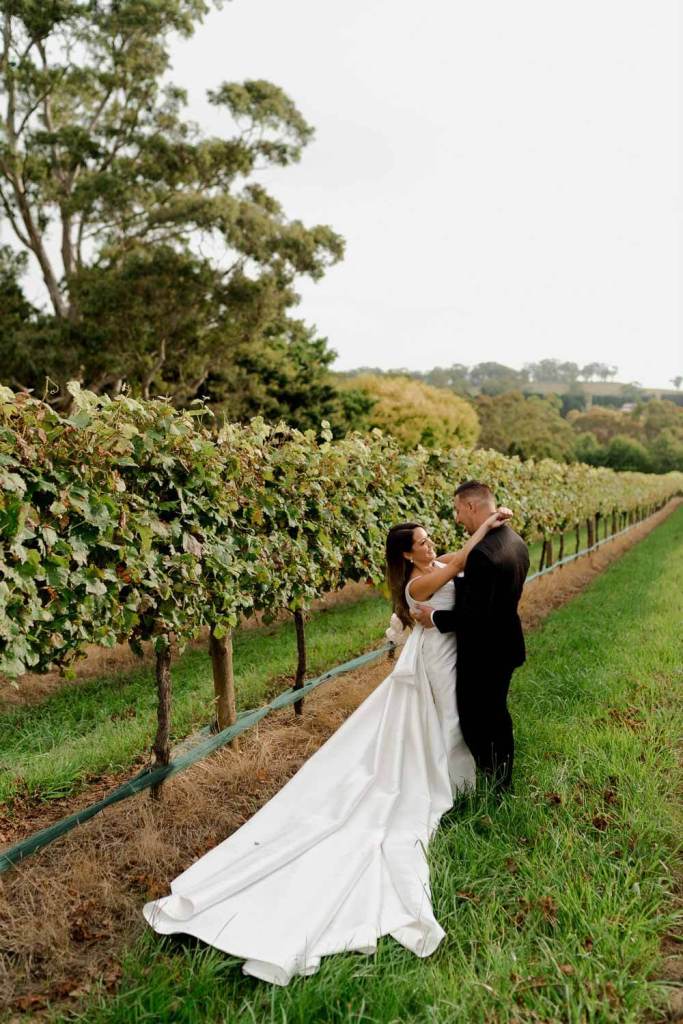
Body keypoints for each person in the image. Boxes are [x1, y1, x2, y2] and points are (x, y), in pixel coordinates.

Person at [143, 504, 511, 985]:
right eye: (420, 541)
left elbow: (455, 564)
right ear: (406, 554)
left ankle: (456, 776)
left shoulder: (435, 565)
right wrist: (486, 525)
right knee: (445, 721)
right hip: (436, 660)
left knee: (447, 720)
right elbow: (461, 561)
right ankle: (452, 782)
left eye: (427, 538)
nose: (428, 544)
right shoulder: (417, 585)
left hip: (446, 649)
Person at [411, 480, 530, 793]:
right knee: (497, 715)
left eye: (457, 510)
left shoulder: (482, 554)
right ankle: (499, 780)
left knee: (476, 721)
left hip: (483, 652)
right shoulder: (515, 541)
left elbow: (474, 616)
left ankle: (494, 782)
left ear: (470, 506)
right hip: (506, 643)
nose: (456, 518)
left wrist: (434, 617)